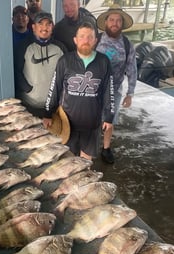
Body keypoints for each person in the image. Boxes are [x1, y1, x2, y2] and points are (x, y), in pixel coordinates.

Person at [44, 21, 115, 161]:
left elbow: (109, 90)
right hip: (68, 123)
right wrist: (47, 113)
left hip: (92, 124)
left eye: (90, 37)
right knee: (67, 162)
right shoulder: (65, 61)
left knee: (85, 164)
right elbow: (54, 88)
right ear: (75, 40)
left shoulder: (103, 61)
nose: (86, 41)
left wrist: (109, 116)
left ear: (95, 40)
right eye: (82, 36)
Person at [96, 5, 137, 164]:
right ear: (106, 22)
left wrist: (130, 93)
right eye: (111, 20)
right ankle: (90, 145)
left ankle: (106, 148)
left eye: (118, 20)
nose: (115, 23)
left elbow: (132, 69)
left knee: (109, 121)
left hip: (115, 90)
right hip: (94, 88)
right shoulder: (96, 39)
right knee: (92, 118)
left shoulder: (127, 44)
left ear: (122, 24)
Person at [13, 11, 66, 118]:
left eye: (48, 24)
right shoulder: (23, 46)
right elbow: (16, 71)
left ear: (52, 27)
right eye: (40, 24)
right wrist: (28, 89)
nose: (44, 27)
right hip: (29, 106)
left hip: (54, 107)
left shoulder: (60, 47)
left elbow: (68, 72)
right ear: (33, 27)